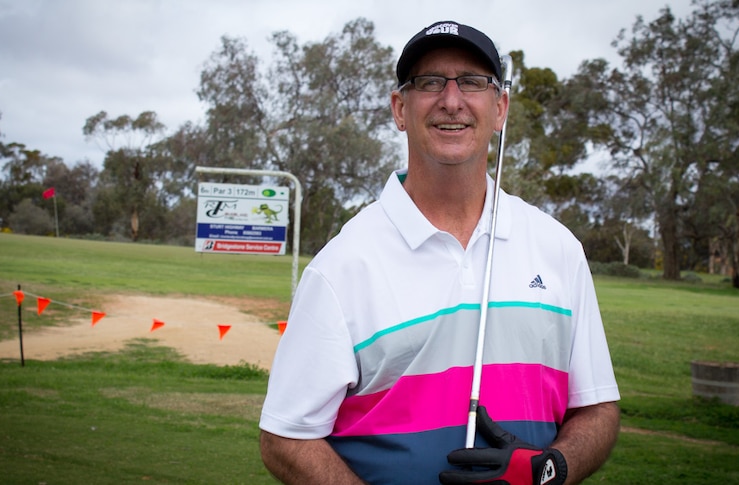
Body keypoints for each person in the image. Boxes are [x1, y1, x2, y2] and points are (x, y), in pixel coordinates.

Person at [259, 20, 620, 485]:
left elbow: (598, 409)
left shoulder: (558, 248)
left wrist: (551, 470)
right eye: (430, 83)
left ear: (501, 107)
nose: (452, 101)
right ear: (399, 109)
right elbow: (285, 439)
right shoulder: (341, 267)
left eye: (472, 82)